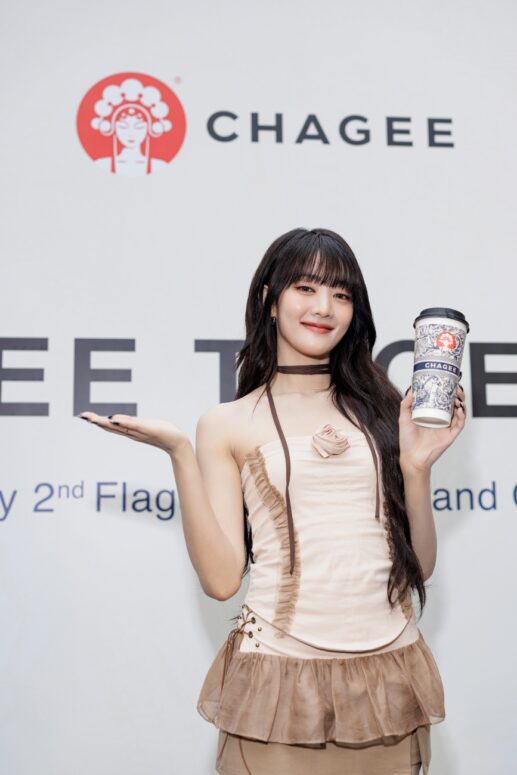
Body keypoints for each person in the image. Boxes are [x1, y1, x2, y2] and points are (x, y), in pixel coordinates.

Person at [79, 227, 467, 774]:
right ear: (270, 299)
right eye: (306, 288)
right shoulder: (227, 422)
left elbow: (418, 567)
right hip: (279, 686)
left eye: (341, 294)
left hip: (386, 684)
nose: (323, 307)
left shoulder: (385, 409)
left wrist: (417, 468)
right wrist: (180, 453)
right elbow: (221, 581)